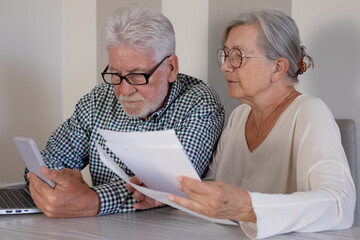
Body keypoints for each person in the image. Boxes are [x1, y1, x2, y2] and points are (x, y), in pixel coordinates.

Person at [129, 8, 356, 239]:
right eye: (226, 55)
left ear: (278, 67)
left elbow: (340, 203)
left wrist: (248, 207)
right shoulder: (239, 116)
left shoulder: (309, 111)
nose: (226, 66)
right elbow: (216, 190)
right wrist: (169, 195)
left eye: (238, 56)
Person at [25, 5, 224, 218]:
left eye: (137, 75)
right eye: (115, 74)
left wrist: (93, 200)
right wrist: (55, 182)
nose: (124, 91)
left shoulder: (200, 103)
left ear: (171, 68)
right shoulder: (99, 99)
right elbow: (47, 160)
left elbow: (174, 185)